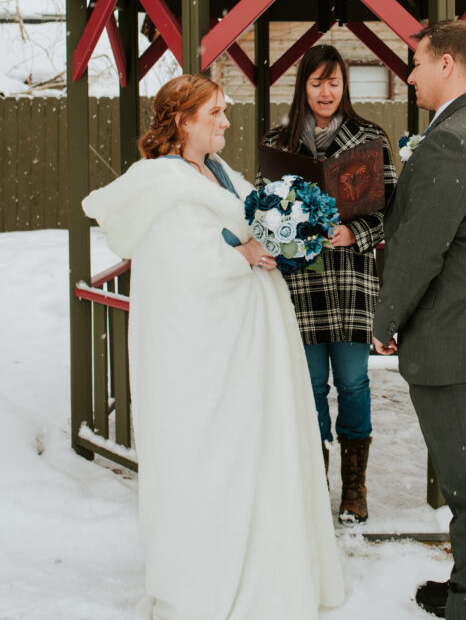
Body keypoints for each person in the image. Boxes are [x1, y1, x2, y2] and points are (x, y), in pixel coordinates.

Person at [82, 74, 344, 620]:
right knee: (217, 459)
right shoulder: (162, 183)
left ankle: (271, 572)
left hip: (251, 345)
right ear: (182, 122)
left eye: (225, 111)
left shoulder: (219, 170)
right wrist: (242, 252)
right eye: (215, 114)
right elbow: (182, 264)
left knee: (261, 454)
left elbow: (246, 222)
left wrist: (284, 235)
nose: (226, 121)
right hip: (206, 355)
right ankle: (212, 580)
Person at [373, 21, 466, 620]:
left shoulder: (452, 140)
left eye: (416, 62)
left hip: (455, 332)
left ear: (446, 64)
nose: (409, 75)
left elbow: (420, 249)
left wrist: (386, 319)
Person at [258, 44, 397, 524]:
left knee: (354, 383)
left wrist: (353, 232)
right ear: (303, 86)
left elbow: (391, 212)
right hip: (301, 287)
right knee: (311, 385)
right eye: (316, 82)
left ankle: (353, 489)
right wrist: (290, 230)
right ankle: (315, 484)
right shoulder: (279, 141)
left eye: (334, 82)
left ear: (345, 85)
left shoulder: (371, 138)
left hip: (353, 283)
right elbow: (264, 216)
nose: (325, 91)